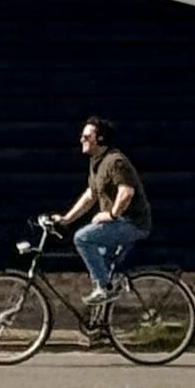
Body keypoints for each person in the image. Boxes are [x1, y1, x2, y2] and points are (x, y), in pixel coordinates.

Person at [47, 115, 151, 310]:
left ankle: (105, 289)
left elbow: (126, 192)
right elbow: (90, 195)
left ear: (100, 139)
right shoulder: (97, 163)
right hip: (120, 222)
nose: (81, 140)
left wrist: (110, 215)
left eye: (87, 137)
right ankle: (101, 325)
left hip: (132, 223)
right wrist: (66, 219)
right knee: (101, 264)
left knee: (83, 238)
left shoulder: (115, 161)